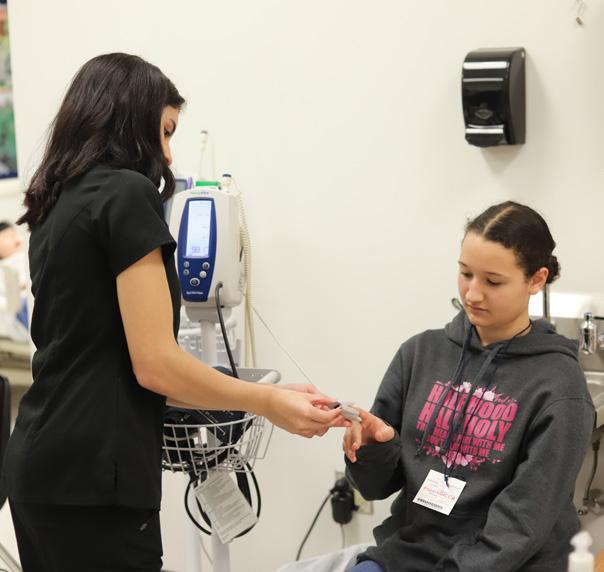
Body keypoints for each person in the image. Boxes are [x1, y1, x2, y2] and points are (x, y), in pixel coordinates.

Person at [1, 53, 345, 572]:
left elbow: (115, 358)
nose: (166, 154)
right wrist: (267, 401)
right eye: (163, 131)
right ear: (128, 119)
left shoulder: (59, 203)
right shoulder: (126, 193)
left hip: (40, 465)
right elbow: (156, 365)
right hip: (95, 478)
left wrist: (261, 394)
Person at [343, 202, 595, 572]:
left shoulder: (559, 387)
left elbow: (522, 524)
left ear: (536, 280)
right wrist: (372, 449)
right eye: (465, 274)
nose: (473, 294)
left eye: (493, 281)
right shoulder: (419, 354)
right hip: (411, 554)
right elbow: (375, 488)